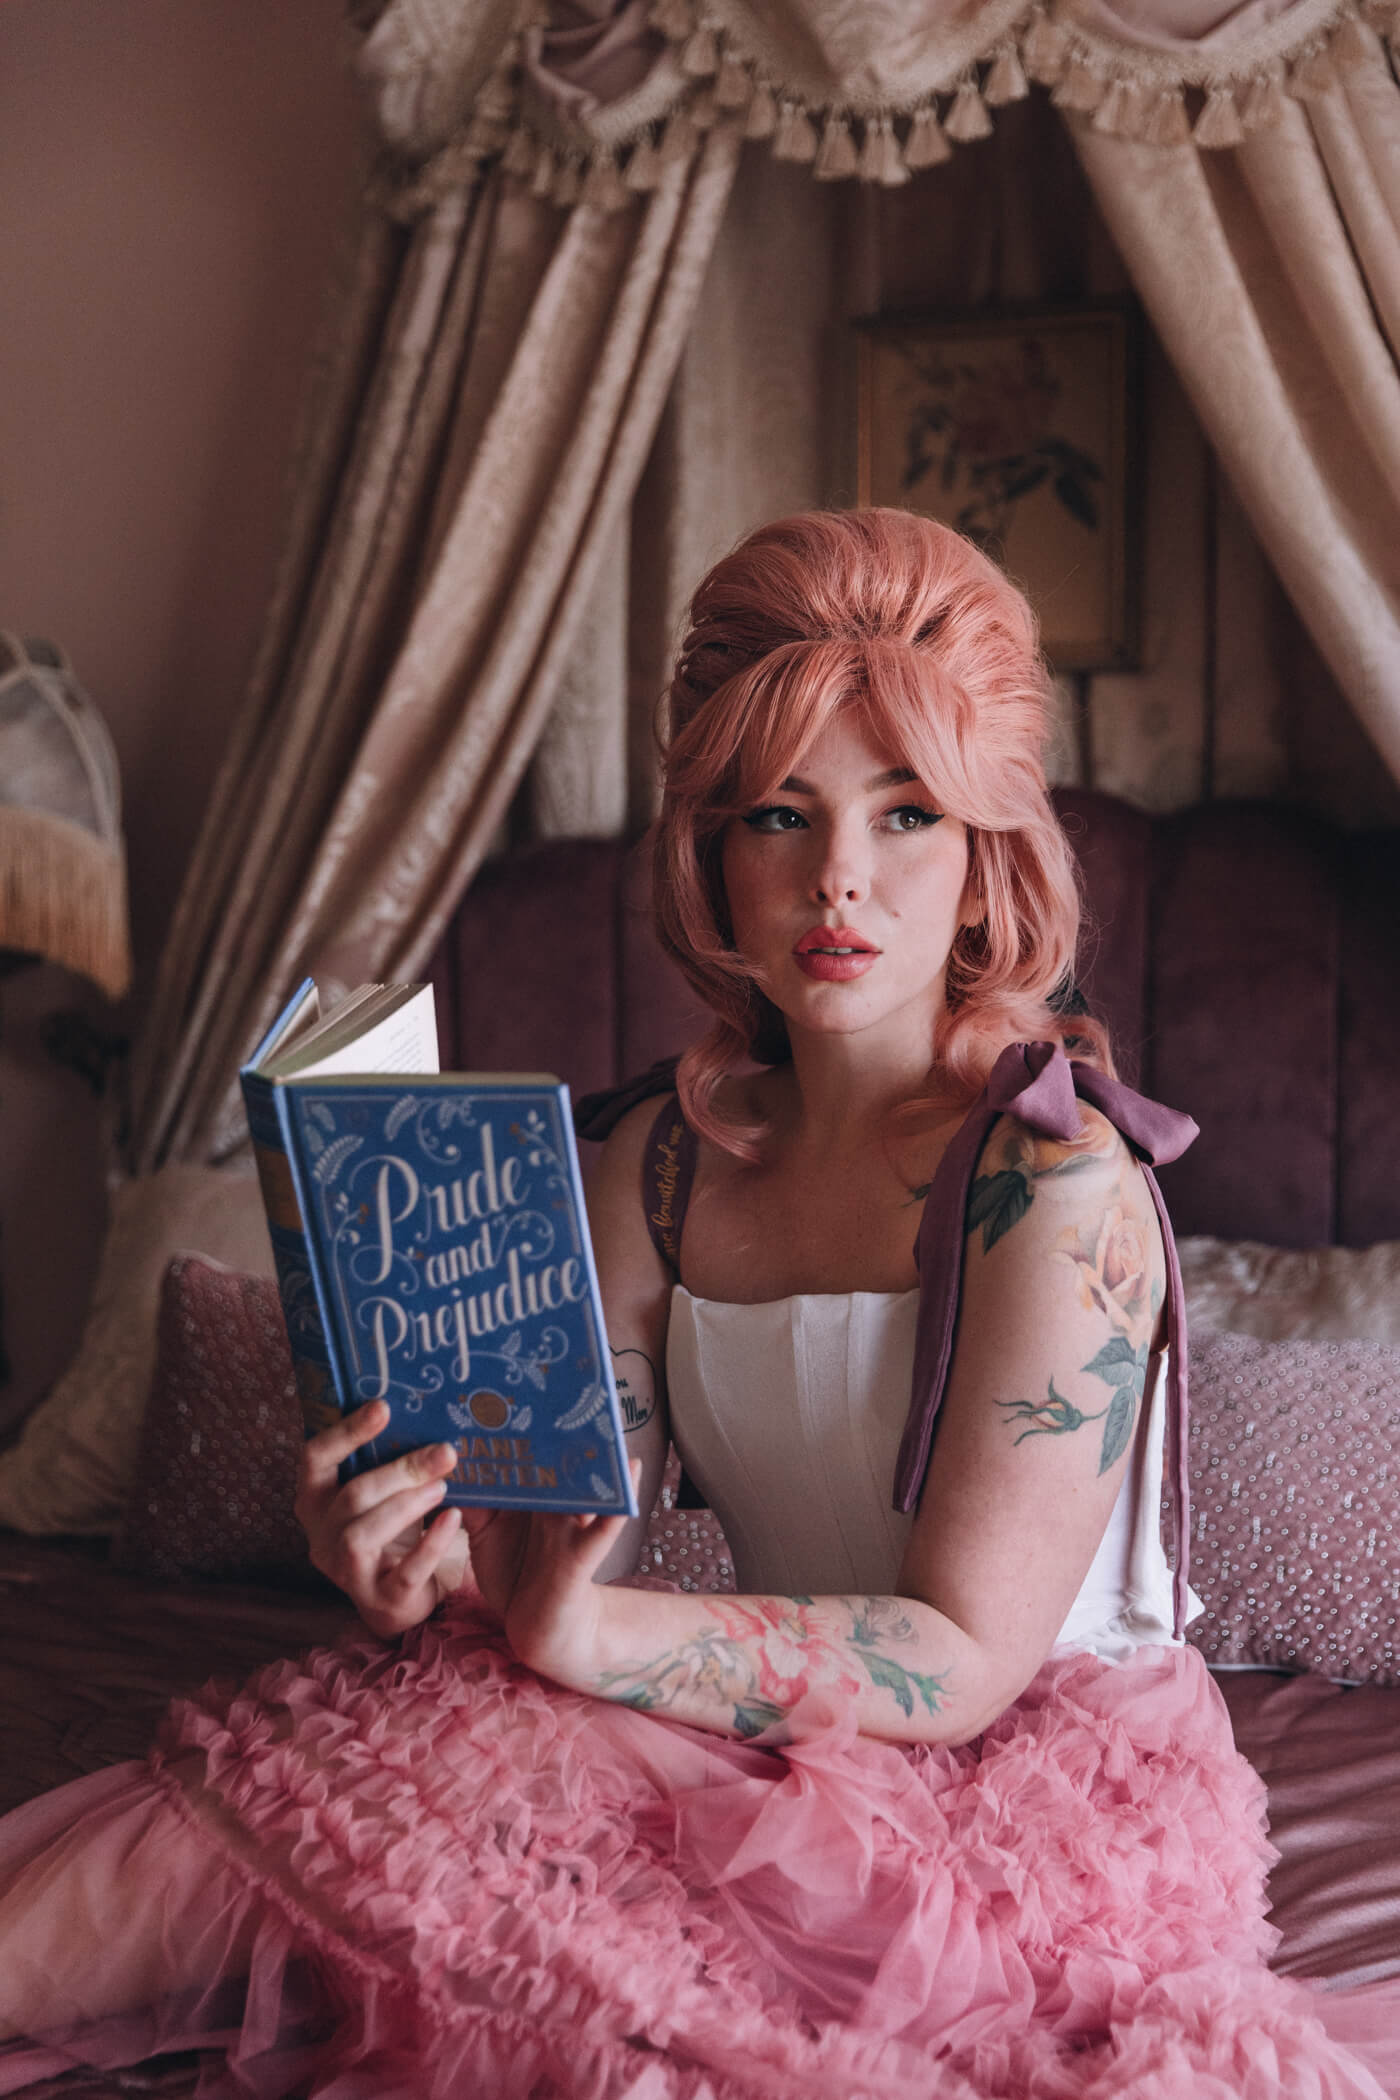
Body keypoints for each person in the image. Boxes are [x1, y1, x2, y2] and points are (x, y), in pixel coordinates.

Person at [0, 508, 1394, 2099]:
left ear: (988, 856)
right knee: (355, 1751)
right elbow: (576, 1508)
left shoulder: (1051, 1192)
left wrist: (586, 1635)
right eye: (781, 813)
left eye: (909, 811)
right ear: (714, 850)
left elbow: (961, 1658)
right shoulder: (658, 1161)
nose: (839, 878)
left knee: (502, 1792)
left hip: (1030, 1791)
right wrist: (414, 1563)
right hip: (762, 1720)